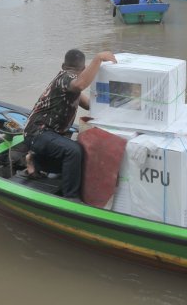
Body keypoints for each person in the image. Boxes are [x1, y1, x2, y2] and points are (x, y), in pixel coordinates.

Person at [24, 49, 117, 200]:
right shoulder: (67, 78)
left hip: (48, 134)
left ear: (63, 64)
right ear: (84, 68)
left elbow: (88, 105)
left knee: (79, 159)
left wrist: (117, 104)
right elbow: (80, 84)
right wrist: (98, 58)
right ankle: (71, 197)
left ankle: (35, 161)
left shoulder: (68, 85)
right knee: (73, 151)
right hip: (38, 133)